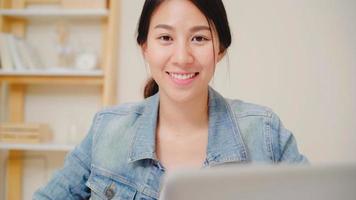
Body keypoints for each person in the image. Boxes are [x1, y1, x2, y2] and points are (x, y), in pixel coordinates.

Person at [33, 0, 308, 199]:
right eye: (165, 37)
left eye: (199, 38)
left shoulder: (265, 133)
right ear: (146, 48)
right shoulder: (107, 130)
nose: (182, 57)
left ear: (220, 50)